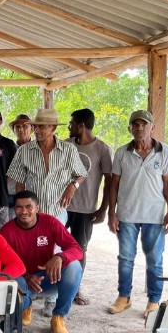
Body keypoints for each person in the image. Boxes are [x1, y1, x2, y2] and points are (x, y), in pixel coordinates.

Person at [6, 108, 86, 316]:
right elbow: (18, 181)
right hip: (31, 215)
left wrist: (72, 187)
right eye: (37, 126)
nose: (38, 130)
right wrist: (24, 207)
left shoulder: (68, 150)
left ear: (52, 128)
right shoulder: (24, 151)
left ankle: (53, 305)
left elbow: (81, 174)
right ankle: (27, 301)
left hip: (56, 213)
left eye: (43, 126)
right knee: (27, 255)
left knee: (58, 257)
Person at [107, 110, 168, 319]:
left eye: (144, 124)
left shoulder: (164, 151)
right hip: (127, 214)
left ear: (152, 127)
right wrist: (112, 212)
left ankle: (154, 300)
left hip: (155, 216)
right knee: (126, 258)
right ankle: (124, 297)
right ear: (130, 128)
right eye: (135, 125)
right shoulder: (121, 152)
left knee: (155, 260)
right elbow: (114, 184)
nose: (139, 128)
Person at [0, 191, 84, 333]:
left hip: (46, 279)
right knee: (11, 280)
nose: (24, 211)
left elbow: (76, 249)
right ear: (14, 209)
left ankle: (58, 317)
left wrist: (60, 257)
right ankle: (25, 306)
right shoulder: (7, 231)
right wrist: (26, 275)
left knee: (74, 266)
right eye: (19, 207)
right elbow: (2, 264)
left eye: (28, 207)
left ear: (37, 208)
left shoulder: (50, 222)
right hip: (23, 280)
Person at [65, 109, 112, 306]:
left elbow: (110, 180)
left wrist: (103, 208)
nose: (69, 127)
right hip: (61, 206)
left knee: (79, 250)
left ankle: (75, 288)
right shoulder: (66, 145)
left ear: (81, 126)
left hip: (85, 209)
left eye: (72, 123)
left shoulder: (101, 149)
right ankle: (51, 286)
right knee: (50, 245)